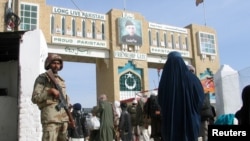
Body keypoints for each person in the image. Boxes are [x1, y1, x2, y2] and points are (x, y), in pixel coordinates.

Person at [157, 51, 205, 141]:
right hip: (190, 123)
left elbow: (160, 101)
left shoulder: (164, 82)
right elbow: (200, 100)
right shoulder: (193, 79)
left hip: (170, 125)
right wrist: (191, 110)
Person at [31, 53, 73, 141]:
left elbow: (65, 100)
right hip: (51, 119)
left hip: (63, 120)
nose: (56, 66)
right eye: (54, 63)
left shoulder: (61, 81)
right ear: (48, 64)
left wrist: (70, 117)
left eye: (58, 63)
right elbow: (35, 98)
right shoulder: (43, 78)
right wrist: (49, 91)